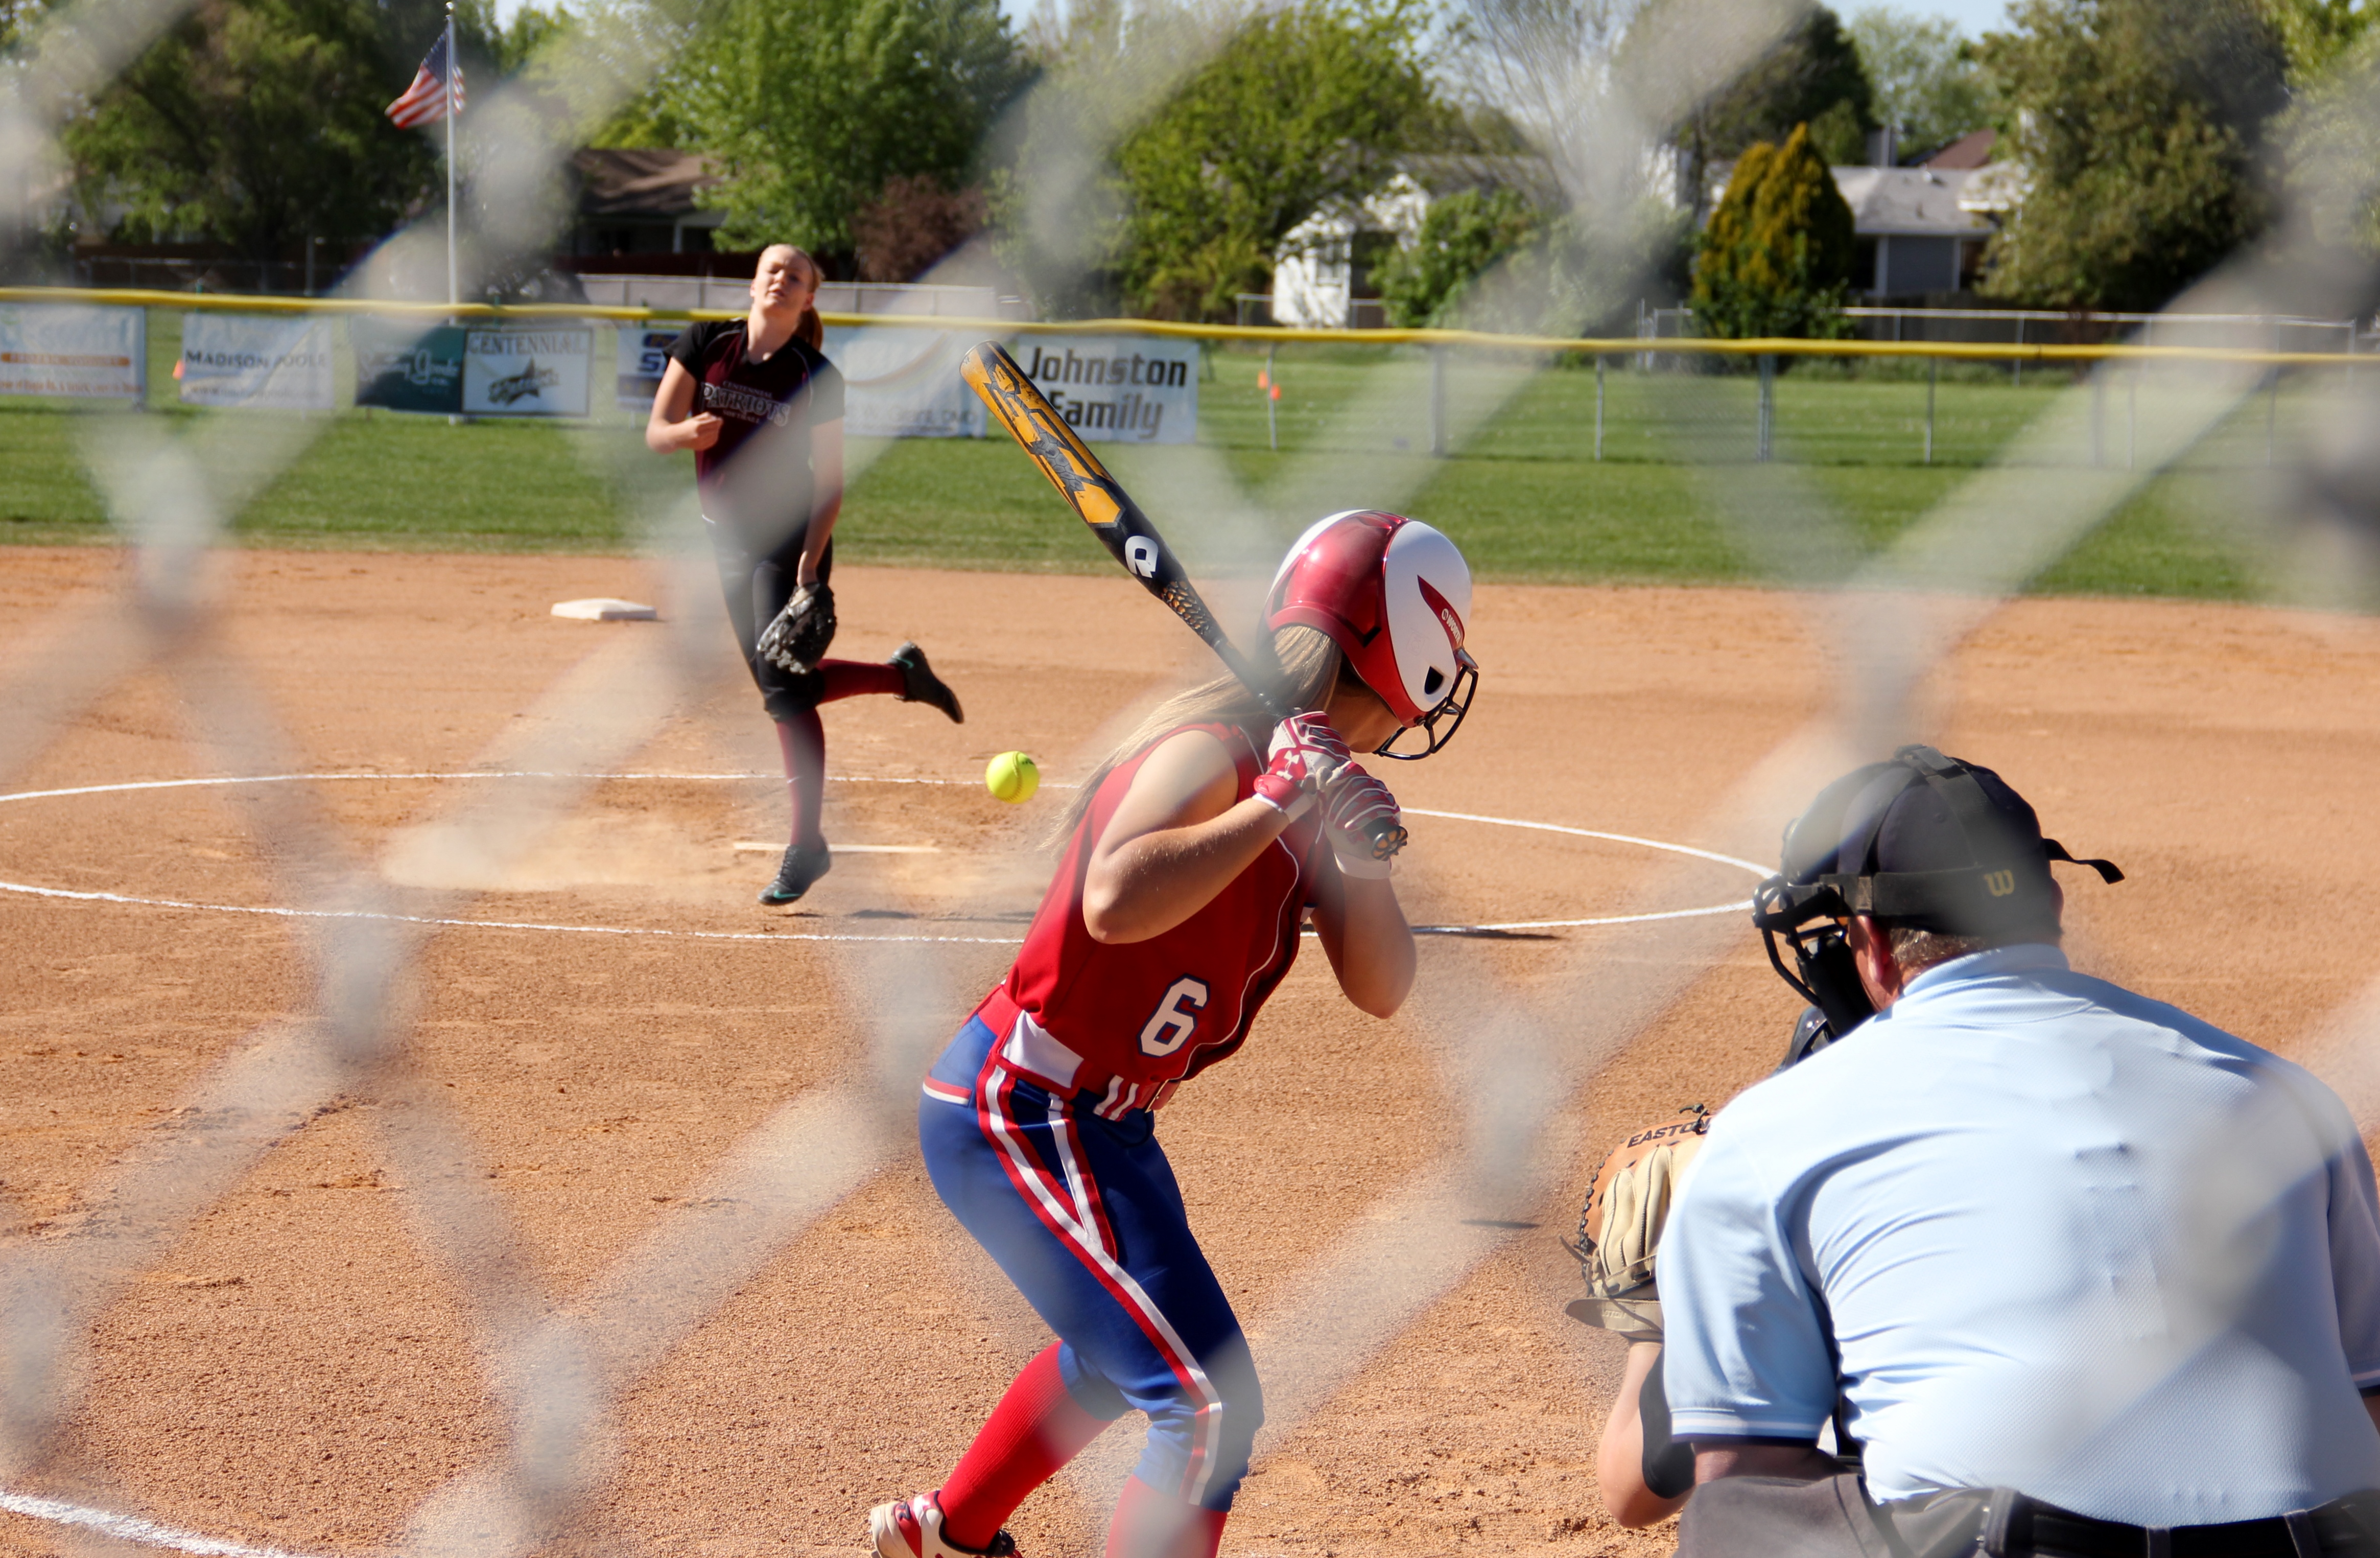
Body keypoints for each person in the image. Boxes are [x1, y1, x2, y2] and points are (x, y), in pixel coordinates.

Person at [868, 509, 1481, 1558]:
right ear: (1405, 653)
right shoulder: (1217, 749)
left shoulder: (1312, 782)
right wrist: (1275, 796)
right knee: (1205, 1405)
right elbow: (1112, 898)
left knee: (1128, 1354)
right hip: (1022, 1104)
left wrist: (1357, 851)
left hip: (1109, 1126)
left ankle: (941, 1535)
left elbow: (1384, 986)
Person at [1641, 745, 2380, 1557]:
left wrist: (1657, 1315)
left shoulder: (1774, 1128)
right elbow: (2366, 1398)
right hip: (2319, 1544)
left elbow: (1736, 1466)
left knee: (1742, 1509)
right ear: (2053, 901)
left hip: (2003, 1543)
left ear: (1870, 944)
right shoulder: (2284, 1093)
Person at [645, 244, 963, 906]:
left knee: (783, 693)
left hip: (786, 545)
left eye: (796, 276)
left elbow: (831, 483)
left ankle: (806, 846)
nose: (781, 281)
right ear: (754, 283)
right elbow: (656, 430)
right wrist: (685, 436)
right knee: (780, 685)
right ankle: (902, 677)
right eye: (772, 271)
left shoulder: (815, 374)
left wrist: (811, 565)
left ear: (809, 298)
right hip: (724, 544)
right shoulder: (706, 343)